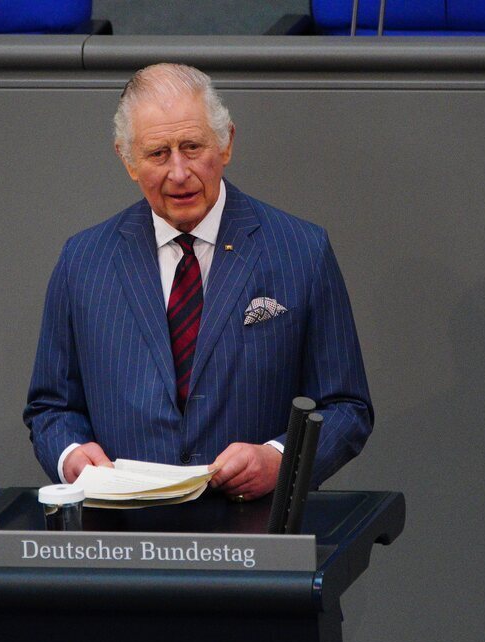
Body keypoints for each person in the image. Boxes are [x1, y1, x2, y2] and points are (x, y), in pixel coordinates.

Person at [25, 63, 372, 501]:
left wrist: (282, 460)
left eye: (192, 147)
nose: (178, 172)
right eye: (157, 154)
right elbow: (50, 408)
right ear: (127, 159)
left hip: (254, 536)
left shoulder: (302, 250)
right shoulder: (83, 261)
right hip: (124, 535)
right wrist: (71, 454)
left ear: (226, 142)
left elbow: (346, 408)